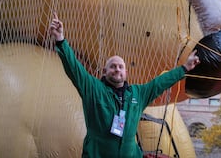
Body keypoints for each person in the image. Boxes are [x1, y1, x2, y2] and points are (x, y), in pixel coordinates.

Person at [49, 13, 200, 158]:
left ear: (126, 72)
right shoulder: (93, 89)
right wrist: (61, 40)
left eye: (120, 67)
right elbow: (74, 68)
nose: (117, 69)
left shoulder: (137, 94)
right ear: (104, 71)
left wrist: (184, 68)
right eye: (113, 66)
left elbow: (159, 83)